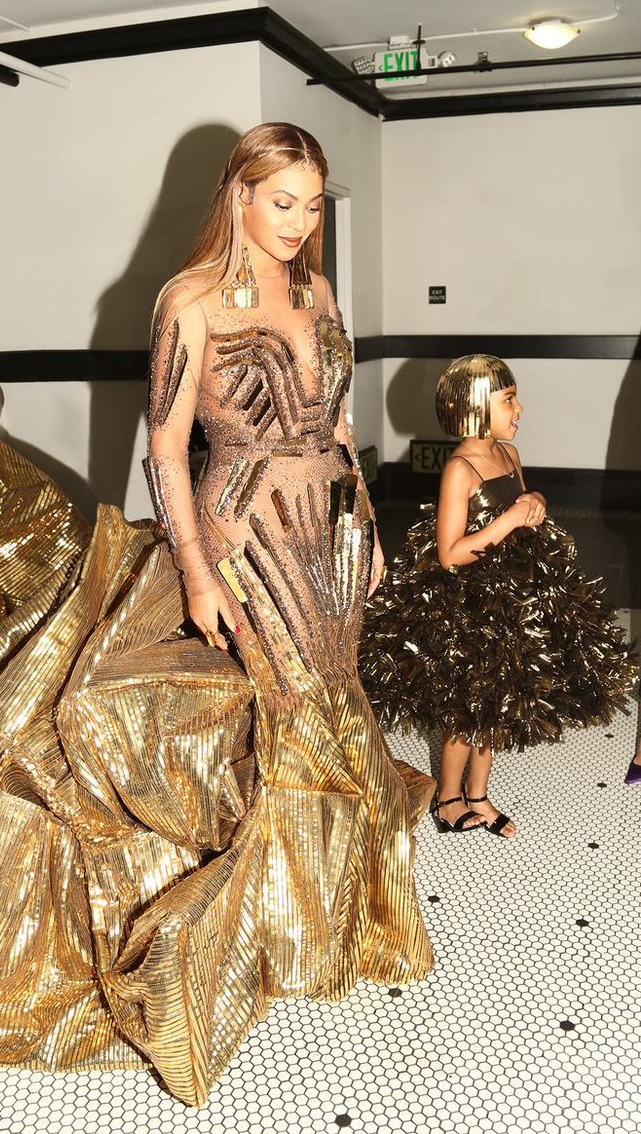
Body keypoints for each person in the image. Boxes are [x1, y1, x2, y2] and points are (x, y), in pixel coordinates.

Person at [145, 122, 434, 994]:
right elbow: (165, 448)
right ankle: (288, 929)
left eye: (311, 206)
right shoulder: (188, 298)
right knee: (289, 712)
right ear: (238, 194)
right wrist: (196, 571)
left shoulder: (316, 289)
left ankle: (342, 900)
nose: (299, 222)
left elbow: (339, 423)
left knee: (338, 698)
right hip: (247, 526)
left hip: (333, 522)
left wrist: (368, 523)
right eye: (281, 202)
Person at [359, 353, 638, 837]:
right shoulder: (460, 469)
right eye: (509, 399)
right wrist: (509, 519)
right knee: (467, 708)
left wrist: (535, 502)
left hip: (511, 594)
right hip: (469, 603)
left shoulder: (508, 455)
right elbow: (450, 553)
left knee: (498, 701)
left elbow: (522, 501)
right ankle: (449, 799)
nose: (519, 408)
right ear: (474, 408)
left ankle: (479, 794)